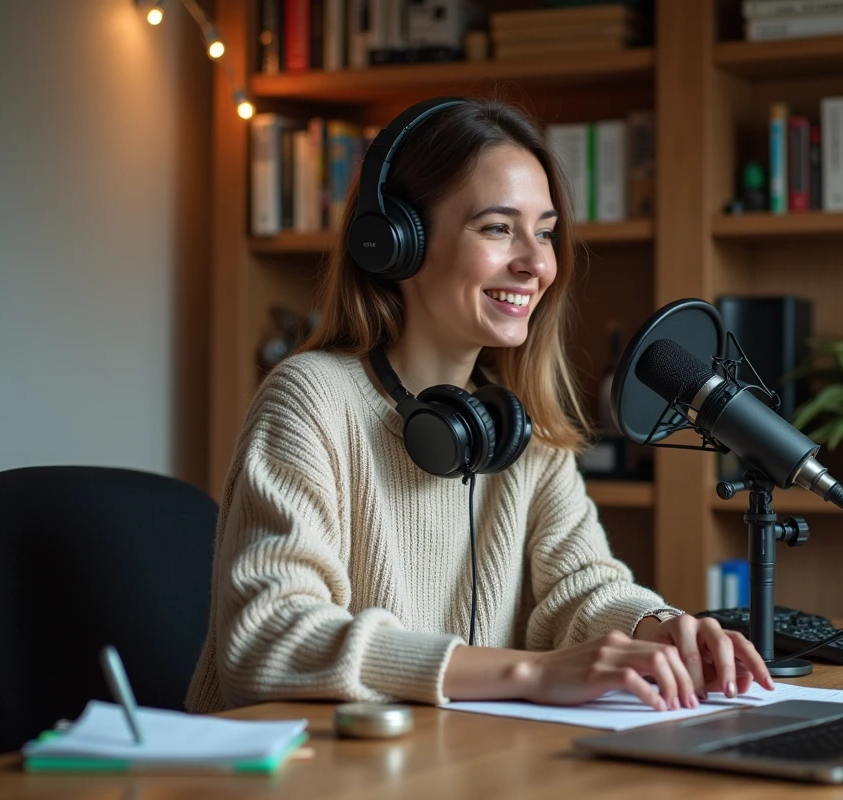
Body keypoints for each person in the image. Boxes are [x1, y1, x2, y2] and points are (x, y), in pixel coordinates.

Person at [185, 97, 774, 717]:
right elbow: (269, 640)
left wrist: (661, 629)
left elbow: (581, 589)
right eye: (498, 228)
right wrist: (531, 672)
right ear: (397, 243)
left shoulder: (517, 424)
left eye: (544, 232)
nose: (538, 263)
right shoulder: (310, 399)